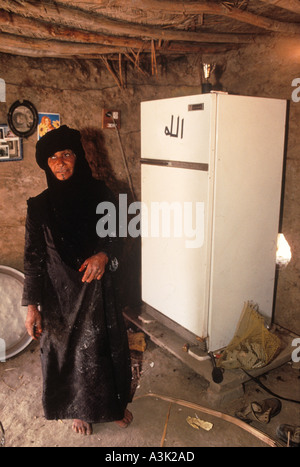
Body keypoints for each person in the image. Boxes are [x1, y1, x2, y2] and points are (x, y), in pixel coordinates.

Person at [22, 125, 132, 435]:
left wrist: (103, 256)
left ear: (78, 158)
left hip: (99, 289)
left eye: (66, 155)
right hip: (60, 295)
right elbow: (33, 257)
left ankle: (112, 406)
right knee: (68, 354)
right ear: (46, 164)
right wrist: (32, 306)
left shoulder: (102, 193)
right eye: (52, 158)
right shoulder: (39, 206)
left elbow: (120, 234)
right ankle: (78, 410)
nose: (59, 163)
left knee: (105, 350)